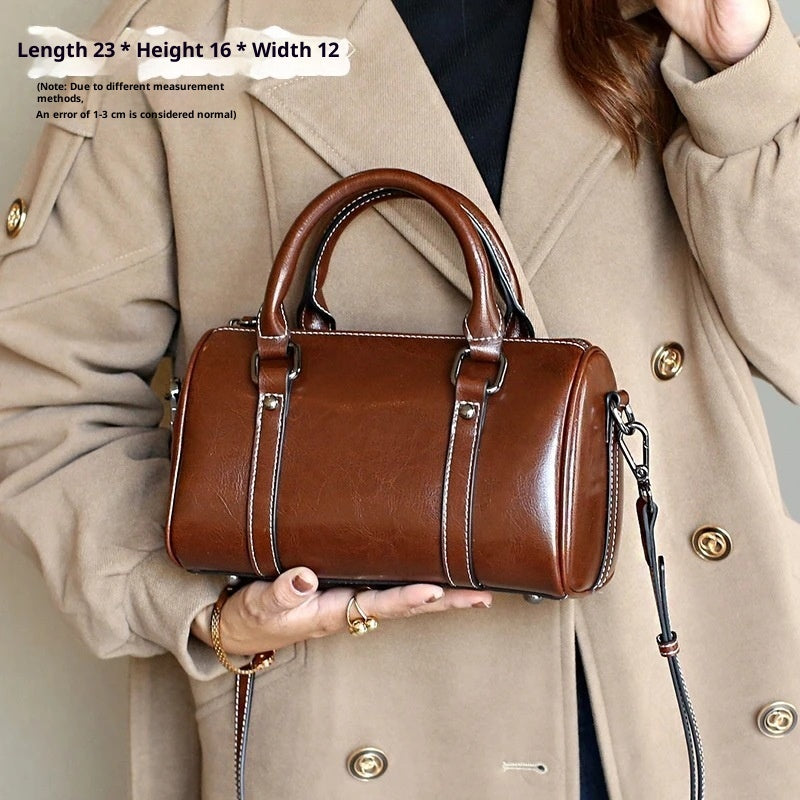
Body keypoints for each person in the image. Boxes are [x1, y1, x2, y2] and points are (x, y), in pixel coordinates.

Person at [1, 0, 798, 797]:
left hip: (681, 698)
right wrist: (213, 613)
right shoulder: (175, 37)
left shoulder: (666, 15)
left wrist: (740, 58)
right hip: (365, 720)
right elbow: (36, 396)